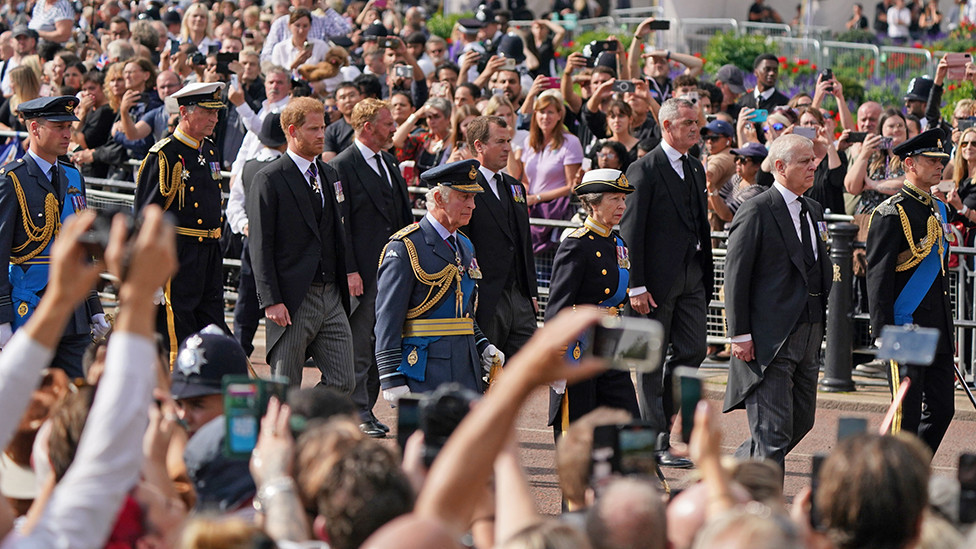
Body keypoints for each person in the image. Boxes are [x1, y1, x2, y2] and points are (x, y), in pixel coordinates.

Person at [723, 134, 833, 469]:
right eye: (805, 161)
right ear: (780, 167)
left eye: (813, 159)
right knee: (772, 435)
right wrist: (739, 334)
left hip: (810, 331)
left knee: (799, 422)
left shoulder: (812, 209)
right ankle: (766, 515)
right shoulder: (757, 209)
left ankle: (726, 477)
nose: (813, 166)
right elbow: (736, 274)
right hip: (771, 338)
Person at [619, 97, 712, 468]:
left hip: (691, 276)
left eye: (697, 123)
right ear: (667, 126)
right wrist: (635, 284)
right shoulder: (644, 169)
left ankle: (666, 426)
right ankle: (656, 440)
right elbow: (631, 231)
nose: (696, 128)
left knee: (693, 351)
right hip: (653, 283)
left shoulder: (694, 168)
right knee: (649, 363)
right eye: (688, 123)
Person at [247, 97, 354, 393]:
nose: (321, 135)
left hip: (331, 295)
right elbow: (260, 244)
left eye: (323, 128)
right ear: (292, 131)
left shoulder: (330, 174)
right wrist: (271, 299)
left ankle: (305, 425)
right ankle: (280, 435)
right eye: (313, 129)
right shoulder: (269, 178)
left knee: (344, 380)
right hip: (293, 299)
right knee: (285, 386)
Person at [373, 159, 501, 402]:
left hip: (465, 366)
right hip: (424, 368)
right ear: (440, 199)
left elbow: (462, 311)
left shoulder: (464, 244)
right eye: (463, 197)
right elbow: (388, 317)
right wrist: (390, 375)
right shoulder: (406, 247)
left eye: (473, 198)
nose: (472, 205)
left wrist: (483, 345)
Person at [0, 96, 106, 378]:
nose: (67, 134)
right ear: (35, 128)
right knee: (30, 400)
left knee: (77, 397)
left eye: (69, 127)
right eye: (59, 126)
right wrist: (1, 318)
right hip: (31, 307)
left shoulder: (73, 176)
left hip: (74, 312)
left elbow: (83, 249)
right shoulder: (12, 180)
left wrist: (93, 304)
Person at [866, 128, 955, 454]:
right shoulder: (891, 212)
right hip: (906, 325)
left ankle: (910, 470)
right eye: (930, 160)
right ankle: (893, 483)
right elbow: (878, 277)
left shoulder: (940, 209)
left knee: (944, 409)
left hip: (937, 330)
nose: (938, 165)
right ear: (909, 164)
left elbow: (941, 275)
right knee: (906, 413)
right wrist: (883, 330)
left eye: (941, 160)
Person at [328, 98, 412, 437]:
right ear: (367, 127)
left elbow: (403, 219)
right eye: (388, 123)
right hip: (362, 272)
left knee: (386, 342)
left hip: (393, 271)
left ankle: (368, 410)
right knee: (360, 346)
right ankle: (356, 411)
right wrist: (349, 270)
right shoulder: (342, 165)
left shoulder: (390, 164)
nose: (394, 128)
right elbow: (340, 223)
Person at [133, 82, 231, 364]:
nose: (214, 119)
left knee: (212, 323)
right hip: (178, 254)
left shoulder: (209, 150)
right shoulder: (164, 155)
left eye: (216, 113)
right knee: (179, 329)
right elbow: (146, 216)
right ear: (185, 112)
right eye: (207, 112)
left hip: (210, 251)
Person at [546, 169, 641, 435]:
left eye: (623, 199)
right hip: (580, 345)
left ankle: (633, 473)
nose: (622, 205)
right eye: (614, 199)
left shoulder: (618, 243)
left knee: (627, 416)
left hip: (611, 342)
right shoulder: (576, 245)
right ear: (592, 203)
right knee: (579, 420)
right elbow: (559, 305)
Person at [463, 116, 537, 360]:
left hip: (520, 297)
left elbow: (524, 243)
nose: (507, 147)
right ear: (479, 146)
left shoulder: (515, 187)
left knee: (525, 373)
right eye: (500, 142)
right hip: (486, 296)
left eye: (508, 141)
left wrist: (532, 293)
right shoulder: (466, 186)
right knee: (486, 371)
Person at [170, 326, 256, 510]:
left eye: (197, 405)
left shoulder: (253, 465)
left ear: (236, 402)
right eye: (179, 404)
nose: (183, 416)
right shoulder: (165, 447)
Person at [520, 93, 583, 256]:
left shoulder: (571, 143)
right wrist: (525, 196)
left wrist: (538, 198)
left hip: (556, 214)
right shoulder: (529, 141)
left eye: (550, 112)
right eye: (541, 112)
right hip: (532, 213)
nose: (545, 117)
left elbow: (572, 186)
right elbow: (526, 180)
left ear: (559, 115)